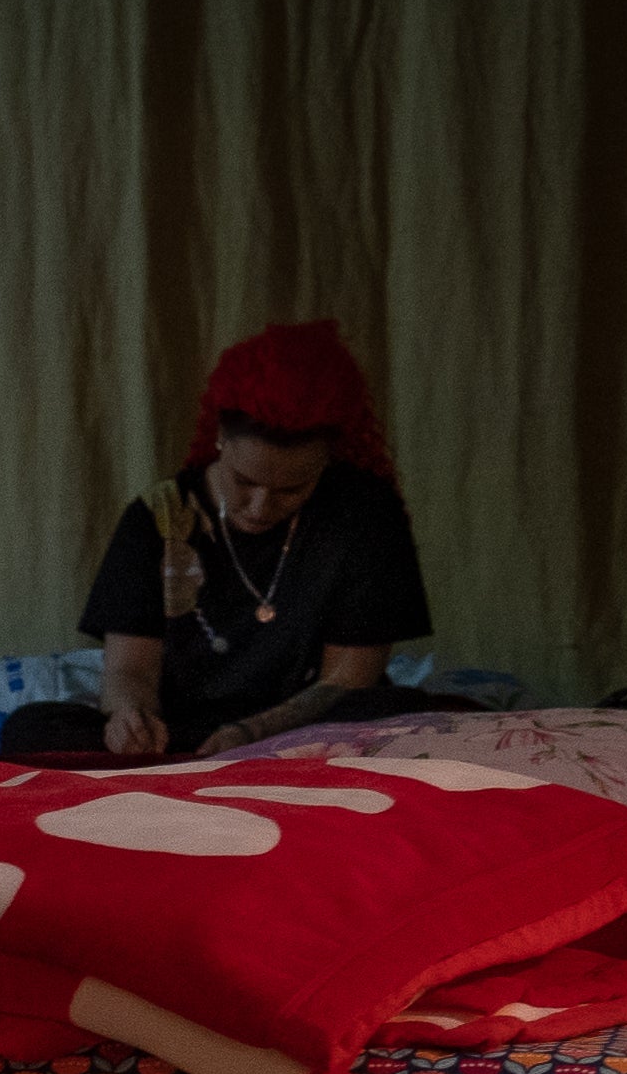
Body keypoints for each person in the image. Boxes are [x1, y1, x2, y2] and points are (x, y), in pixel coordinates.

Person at [78, 320, 435, 760]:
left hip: (310, 727)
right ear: (220, 438)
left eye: (291, 490)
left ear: (327, 458)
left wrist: (253, 734)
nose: (260, 507)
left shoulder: (364, 514)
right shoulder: (157, 517)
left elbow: (350, 677)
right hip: (184, 727)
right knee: (34, 727)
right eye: (244, 482)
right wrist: (131, 716)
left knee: (404, 713)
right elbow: (129, 668)